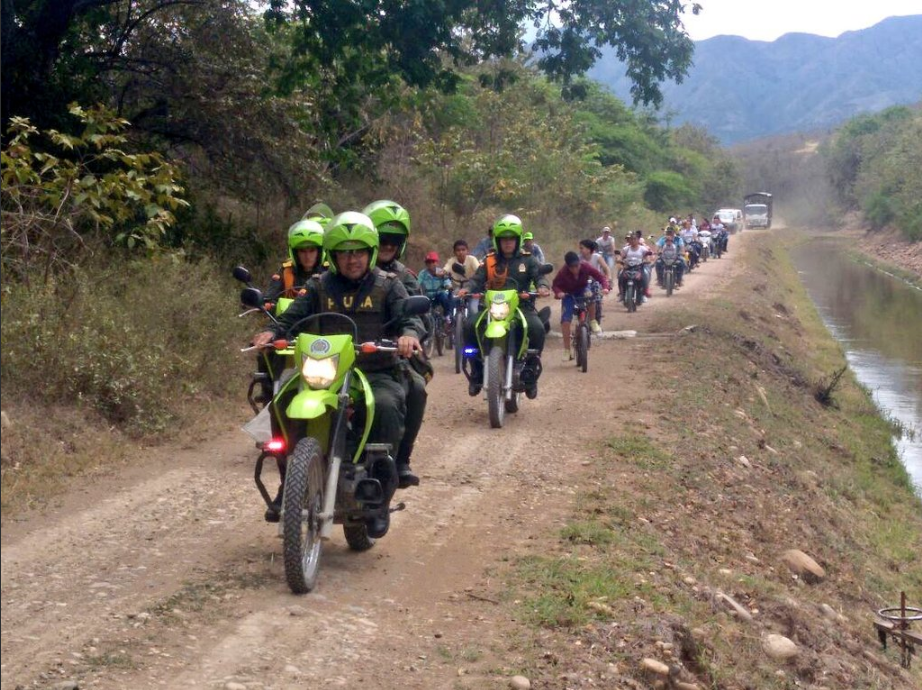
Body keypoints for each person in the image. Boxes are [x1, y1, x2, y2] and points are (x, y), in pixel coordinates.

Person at [251, 211, 426, 524]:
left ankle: (379, 500)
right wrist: (272, 332)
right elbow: (290, 319)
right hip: (324, 371)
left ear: (370, 252)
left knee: (387, 406)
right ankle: (288, 482)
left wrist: (409, 335)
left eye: (358, 251)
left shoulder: (389, 285)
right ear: (332, 255)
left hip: (375, 370)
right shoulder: (319, 286)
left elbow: (409, 317)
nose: (352, 259)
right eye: (344, 253)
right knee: (281, 404)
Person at [362, 200, 427, 489]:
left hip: (388, 355)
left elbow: (421, 317)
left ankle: (400, 458)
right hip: (338, 355)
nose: (387, 246)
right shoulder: (340, 269)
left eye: (394, 240)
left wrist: (410, 335)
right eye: (382, 239)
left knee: (416, 387)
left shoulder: (404, 277)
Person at [458, 214, 551, 398]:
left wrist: (542, 286)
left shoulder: (529, 259)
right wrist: (466, 288)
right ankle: (476, 370)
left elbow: (539, 275)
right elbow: (477, 279)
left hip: (522, 307)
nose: (508, 243)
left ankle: (530, 374)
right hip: (492, 308)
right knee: (470, 325)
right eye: (504, 239)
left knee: (538, 328)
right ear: (497, 240)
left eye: (511, 239)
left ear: (518, 240)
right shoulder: (490, 260)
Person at [552, 251, 610, 360]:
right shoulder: (562, 272)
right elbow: (555, 285)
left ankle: (593, 321)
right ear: (567, 267)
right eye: (571, 267)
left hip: (583, 289)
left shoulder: (586, 266)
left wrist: (605, 287)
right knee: (565, 321)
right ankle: (567, 350)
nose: (575, 269)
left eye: (576, 266)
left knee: (591, 296)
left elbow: (600, 277)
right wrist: (559, 293)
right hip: (568, 294)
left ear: (579, 263)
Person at [618, 233, 653, 301]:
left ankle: (645, 292)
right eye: (631, 239)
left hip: (639, 267)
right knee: (620, 277)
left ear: (638, 240)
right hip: (627, 267)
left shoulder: (643, 249)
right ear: (629, 240)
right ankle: (622, 294)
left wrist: (647, 260)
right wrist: (619, 260)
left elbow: (647, 257)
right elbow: (621, 256)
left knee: (645, 276)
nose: (633, 240)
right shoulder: (626, 249)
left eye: (635, 239)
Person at [418, 251, 453, 318]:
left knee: (444, 296)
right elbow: (417, 284)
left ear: (437, 263)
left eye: (433, 262)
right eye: (428, 262)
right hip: (427, 296)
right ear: (426, 264)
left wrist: (448, 286)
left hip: (438, 295)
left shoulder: (441, 272)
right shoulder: (422, 274)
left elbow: (447, 282)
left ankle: (447, 316)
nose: (431, 264)